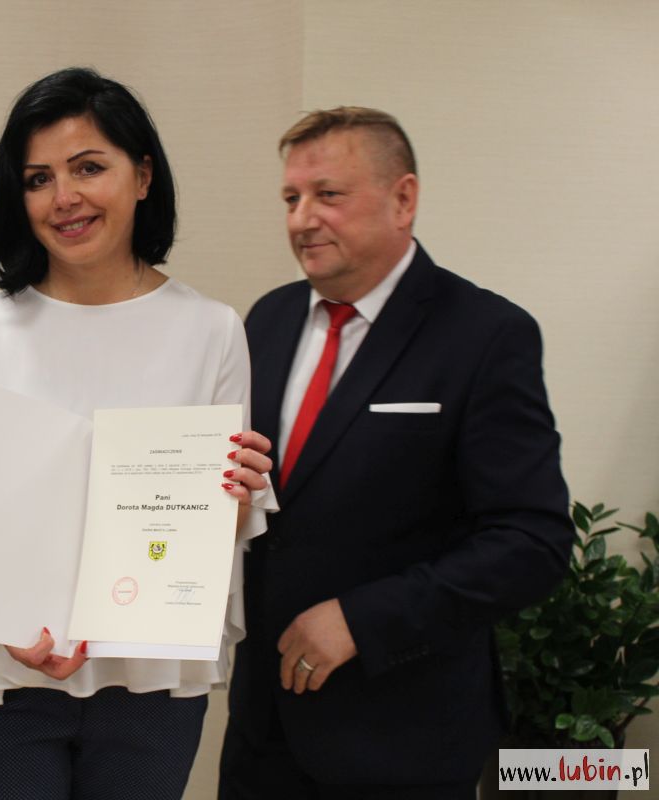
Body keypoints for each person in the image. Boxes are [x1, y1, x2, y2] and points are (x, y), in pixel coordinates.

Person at [0, 67, 274, 800]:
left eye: (89, 168)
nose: (63, 197)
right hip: (1, 668)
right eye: (39, 179)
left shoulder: (212, 331)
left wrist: (237, 492)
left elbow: (209, 518)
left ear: (143, 176)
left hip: (149, 673)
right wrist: (1, 616)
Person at [218, 106, 573, 799]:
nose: (302, 219)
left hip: (402, 735)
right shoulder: (268, 319)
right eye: (291, 198)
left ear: (403, 199)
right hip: (265, 733)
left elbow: (532, 541)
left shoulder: (484, 334)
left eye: (327, 194)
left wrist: (364, 620)